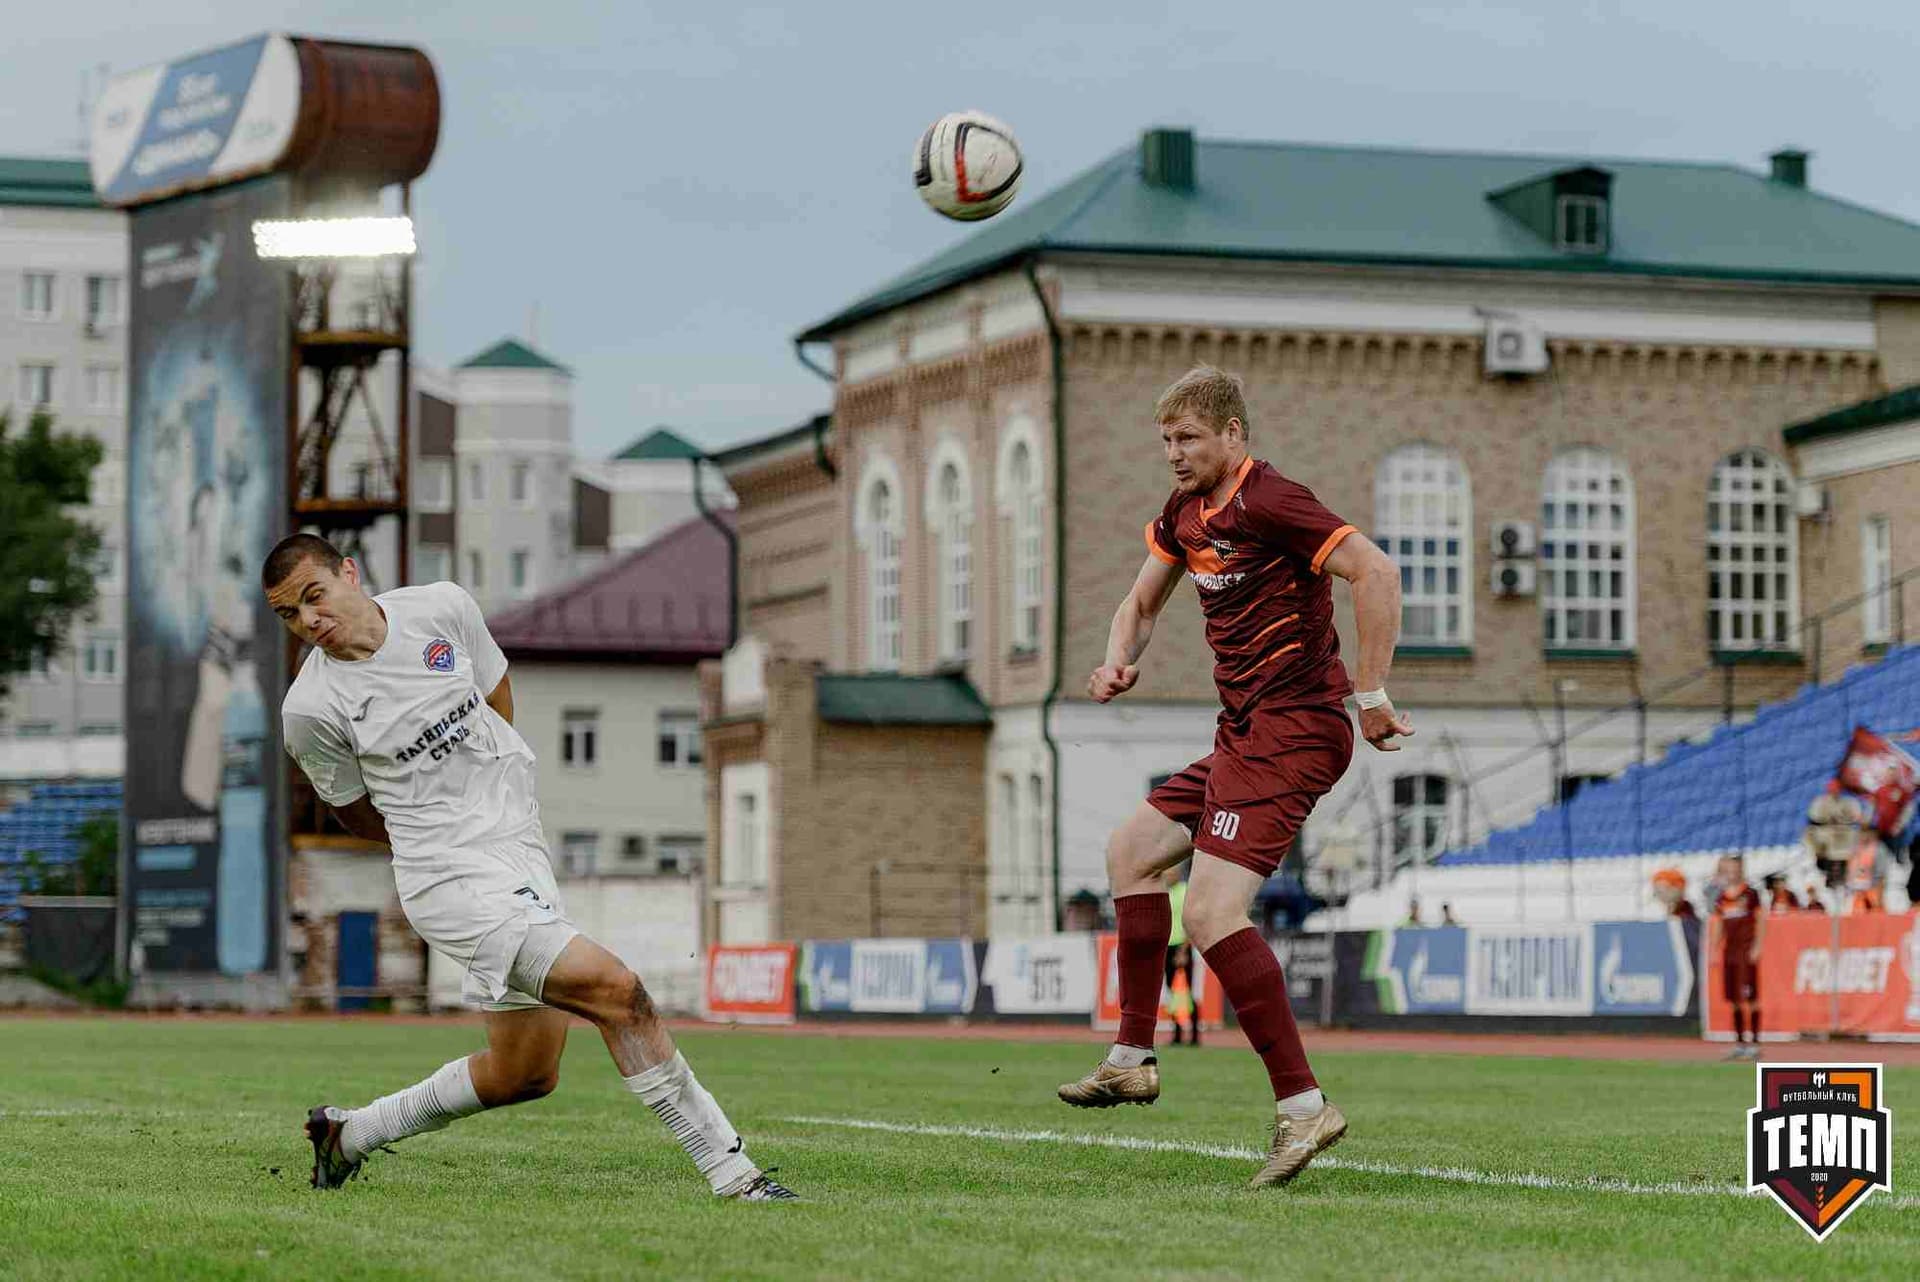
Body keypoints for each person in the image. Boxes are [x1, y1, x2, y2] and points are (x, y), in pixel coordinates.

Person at [264, 534, 795, 1200]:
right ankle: (735, 1174)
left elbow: (497, 698)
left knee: (525, 1074)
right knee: (618, 994)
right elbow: (351, 810)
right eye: (290, 615)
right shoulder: (310, 710)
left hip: (519, 850)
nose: (309, 621)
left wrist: (491, 804)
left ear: (349, 572)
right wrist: (437, 838)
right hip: (448, 882)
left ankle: (348, 1135)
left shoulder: (443, 608)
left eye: (314, 596)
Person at [1055, 366, 1409, 1189]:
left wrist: (1375, 693)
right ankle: (1131, 1057)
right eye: (1166, 440)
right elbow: (1140, 606)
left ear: (1234, 435)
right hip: (1244, 733)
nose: (1175, 454)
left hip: (1297, 729)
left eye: (1189, 439)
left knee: (1213, 911)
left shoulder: (1272, 500)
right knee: (1132, 851)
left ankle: (1302, 1107)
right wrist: (1116, 661)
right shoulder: (1184, 515)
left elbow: (1375, 572)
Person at [1706, 854, 1766, 1061]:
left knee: (1750, 998)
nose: (1730, 873)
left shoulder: (1750, 894)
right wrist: (1714, 950)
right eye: (1726, 869)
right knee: (1733, 999)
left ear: (1740, 870)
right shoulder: (1722, 897)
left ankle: (1755, 1044)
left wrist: (1758, 945)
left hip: (1745, 951)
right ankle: (1740, 1043)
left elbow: (1760, 919)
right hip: (1729, 953)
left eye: (1733, 869)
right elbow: (1719, 924)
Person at [1163, 864, 1199, 1046]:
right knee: (1173, 993)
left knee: (1187, 991)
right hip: (1167, 947)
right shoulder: (1164, 893)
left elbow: (1190, 922)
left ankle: (1194, 1036)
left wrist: (1184, 949)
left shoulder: (1185, 891)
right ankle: (1177, 1034)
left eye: (1170, 873)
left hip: (1181, 947)